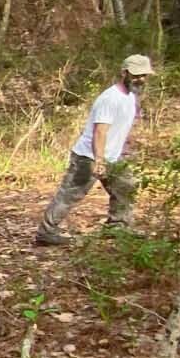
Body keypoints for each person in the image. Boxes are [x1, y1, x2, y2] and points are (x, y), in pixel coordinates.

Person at [35, 54, 155, 247]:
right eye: (136, 75)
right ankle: (46, 232)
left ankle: (118, 226)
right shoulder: (110, 98)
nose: (140, 79)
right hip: (89, 156)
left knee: (126, 185)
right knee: (71, 194)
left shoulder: (130, 97)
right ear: (124, 73)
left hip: (112, 157)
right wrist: (99, 160)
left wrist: (118, 152)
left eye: (143, 75)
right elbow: (100, 131)